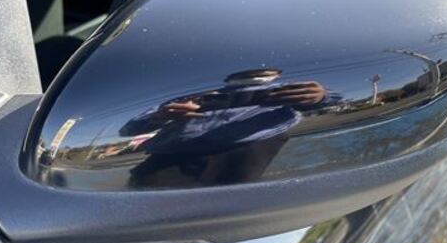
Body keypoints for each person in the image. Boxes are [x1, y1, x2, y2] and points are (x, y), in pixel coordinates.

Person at [120, 69, 337, 186]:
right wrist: (159, 116)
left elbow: (338, 102)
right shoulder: (194, 91)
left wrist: (321, 96)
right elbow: (128, 129)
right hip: (171, 158)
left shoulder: (293, 91)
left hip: (242, 156)